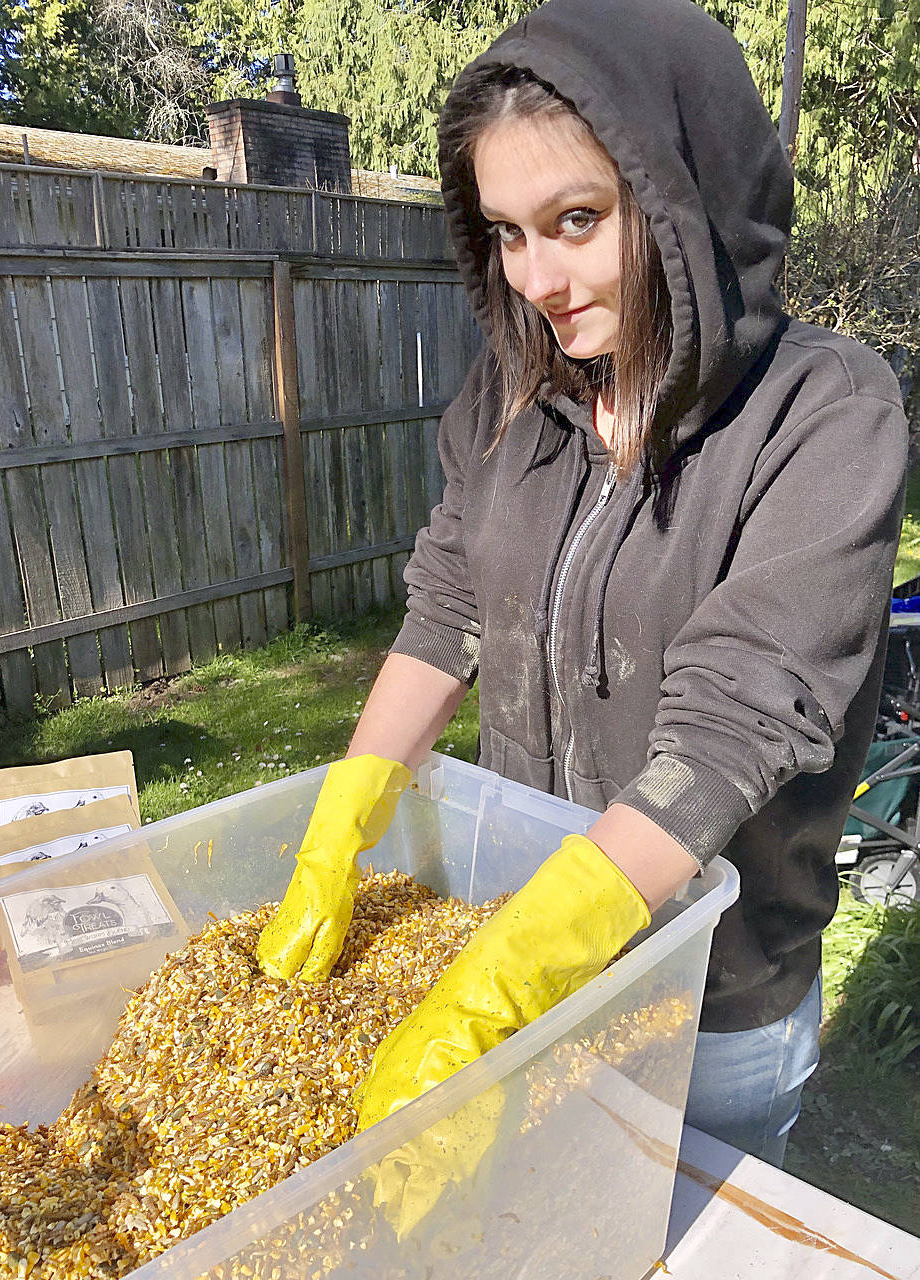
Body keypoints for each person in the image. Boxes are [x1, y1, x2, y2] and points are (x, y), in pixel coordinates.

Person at [259, 0, 907, 1180]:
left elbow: (735, 721)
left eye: (574, 220)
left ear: (684, 202)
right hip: (512, 949)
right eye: (506, 233)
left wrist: (505, 982)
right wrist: (342, 814)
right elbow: (450, 602)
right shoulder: (514, 398)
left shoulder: (826, 414)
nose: (538, 279)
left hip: (710, 998)